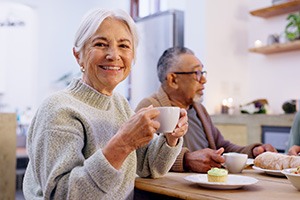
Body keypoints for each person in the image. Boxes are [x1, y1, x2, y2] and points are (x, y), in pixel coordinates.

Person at [22, 9, 188, 200]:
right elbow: (61, 194)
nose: (113, 55)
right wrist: (122, 143)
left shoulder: (119, 103)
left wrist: (170, 139)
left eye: (124, 46)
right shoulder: (59, 109)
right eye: (101, 44)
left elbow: (148, 167)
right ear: (79, 56)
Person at [135, 46, 277, 173]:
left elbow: (222, 147)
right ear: (173, 80)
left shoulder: (198, 109)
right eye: (196, 73)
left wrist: (253, 151)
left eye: (202, 72)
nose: (203, 80)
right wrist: (187, 159)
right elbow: (143, 159)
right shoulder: (150, 107)